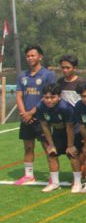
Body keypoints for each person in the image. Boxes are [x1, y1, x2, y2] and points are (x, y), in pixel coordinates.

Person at [15, 45, 56, 185]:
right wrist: (24, 114)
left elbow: (48, 97)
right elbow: (19, 95)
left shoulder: (48, 75)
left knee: (47, 146)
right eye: (28, 56)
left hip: (42, 117)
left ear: (40, 56)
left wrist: (31, 112)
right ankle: (28, 175)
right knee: (28, 146)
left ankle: (53, 176)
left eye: (33, 55)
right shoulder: (22, 75)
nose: (30, 58)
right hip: (26, 118)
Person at [35, 84, 84, 193]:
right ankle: (55, 183)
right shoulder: (40, 107)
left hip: (73, 132)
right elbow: (44, 126)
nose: (49, 100)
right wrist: (51, 144)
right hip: (57, 132)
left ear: (59, 96)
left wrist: (70, 146)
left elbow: (70, 127)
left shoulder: (65, 108)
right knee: (52, 154)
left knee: (72, 154)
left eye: (52, 97)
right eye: (46, 97)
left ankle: (77, 182)